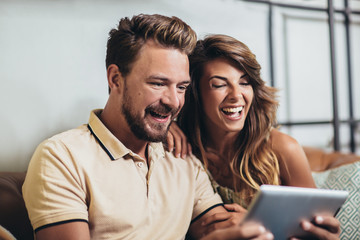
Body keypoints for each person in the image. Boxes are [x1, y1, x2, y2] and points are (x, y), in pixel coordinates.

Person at [22, 14, 274, 240]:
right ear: (115, 79)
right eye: (158, 83)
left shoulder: (184, 160)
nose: (174, 101)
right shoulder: (61, 157)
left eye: (182, 87)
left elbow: (221, 230)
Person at [168, 34, 341, 239]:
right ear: (195, 93)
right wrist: (166, 125)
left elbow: (316, 229)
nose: (236, 95)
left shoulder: (283, 148)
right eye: (220, 84)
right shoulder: (182, 146)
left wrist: (257, 223)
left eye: (244, 82)